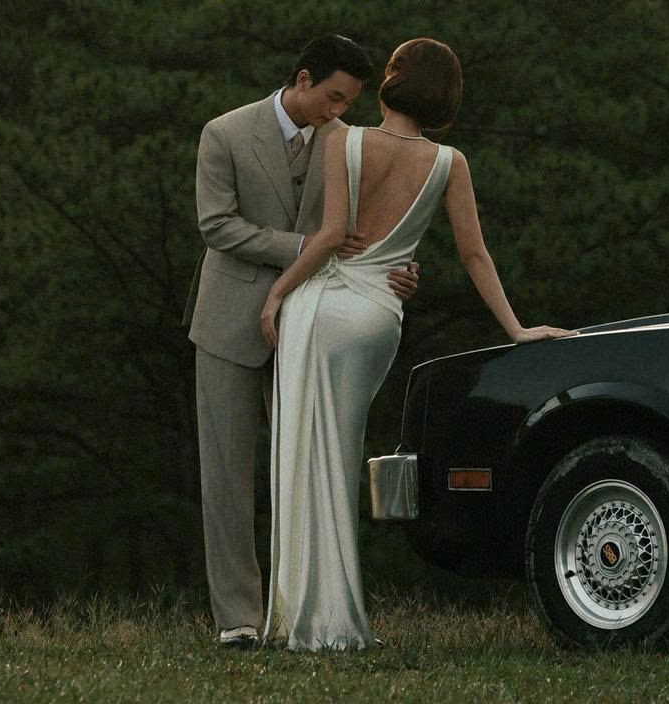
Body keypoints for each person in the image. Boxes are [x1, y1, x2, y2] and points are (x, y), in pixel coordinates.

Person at [259, 37, 573, 651]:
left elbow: (329, 238)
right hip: (377, 314)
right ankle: (331, 619)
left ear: (394, 80)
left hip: (320, 306)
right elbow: (475, 253)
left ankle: (307, 618)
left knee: (304, 454)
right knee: (342, 452)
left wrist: (277, 295)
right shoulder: (449, 163)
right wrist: (515, 329)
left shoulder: (341, 139)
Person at [185, 36, 419, 650]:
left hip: (313, 324)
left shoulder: (347, 145)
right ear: (304, 78)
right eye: (334, 97)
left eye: (350, 102)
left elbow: (370, 230)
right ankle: (237, 618)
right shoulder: (225, 134)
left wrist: (398, 267)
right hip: (229, 323)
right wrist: (304, 248)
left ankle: (297, 613)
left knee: (305, 470)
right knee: (227, 477)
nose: (340, 111)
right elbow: (216, 225)